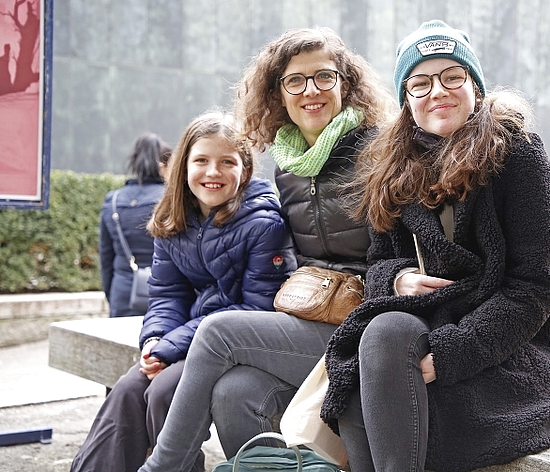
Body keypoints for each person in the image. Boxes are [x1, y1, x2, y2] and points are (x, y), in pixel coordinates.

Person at [319, 20, 550, 472]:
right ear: (407, 102)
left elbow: (535, 287)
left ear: (474, 86)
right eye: (420, 83)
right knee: (363, 370)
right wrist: (397, 277)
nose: (438, 91)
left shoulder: (517, 156)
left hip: (509, 347)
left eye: (452, 77)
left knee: (383, 352)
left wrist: (456, 351)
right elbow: (378, 262)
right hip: (428, 326)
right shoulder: (395, 168)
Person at [138, 27, 394, 472]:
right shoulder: (290, 167)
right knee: (233, 393)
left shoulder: (380, 153)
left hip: (365, 326)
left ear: (346, 85)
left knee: (218, 331)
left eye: (324, 77)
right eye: (295, 80)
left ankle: (159, 469)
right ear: (278, 92)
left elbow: (401, 252)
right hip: (309, 315)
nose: (310, 91)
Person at [71, 110, 297, 472]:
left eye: (227, 162)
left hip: (240, 343)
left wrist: (171, 344)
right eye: (201, 161)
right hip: (189, 339)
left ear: (245, 169)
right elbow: (166, 295)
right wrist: (155, 338)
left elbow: (257, 309)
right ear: (183, 166)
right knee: (129, 389)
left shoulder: (264, 223)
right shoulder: (172, 219)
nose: (213, 172)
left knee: (164, 393)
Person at [99, 132, 172, 318]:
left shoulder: (113, 200)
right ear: (164, 166)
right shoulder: (172, 199)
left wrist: (112, 294)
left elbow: (106, 258)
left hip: (122, 291)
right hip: (167, 293)